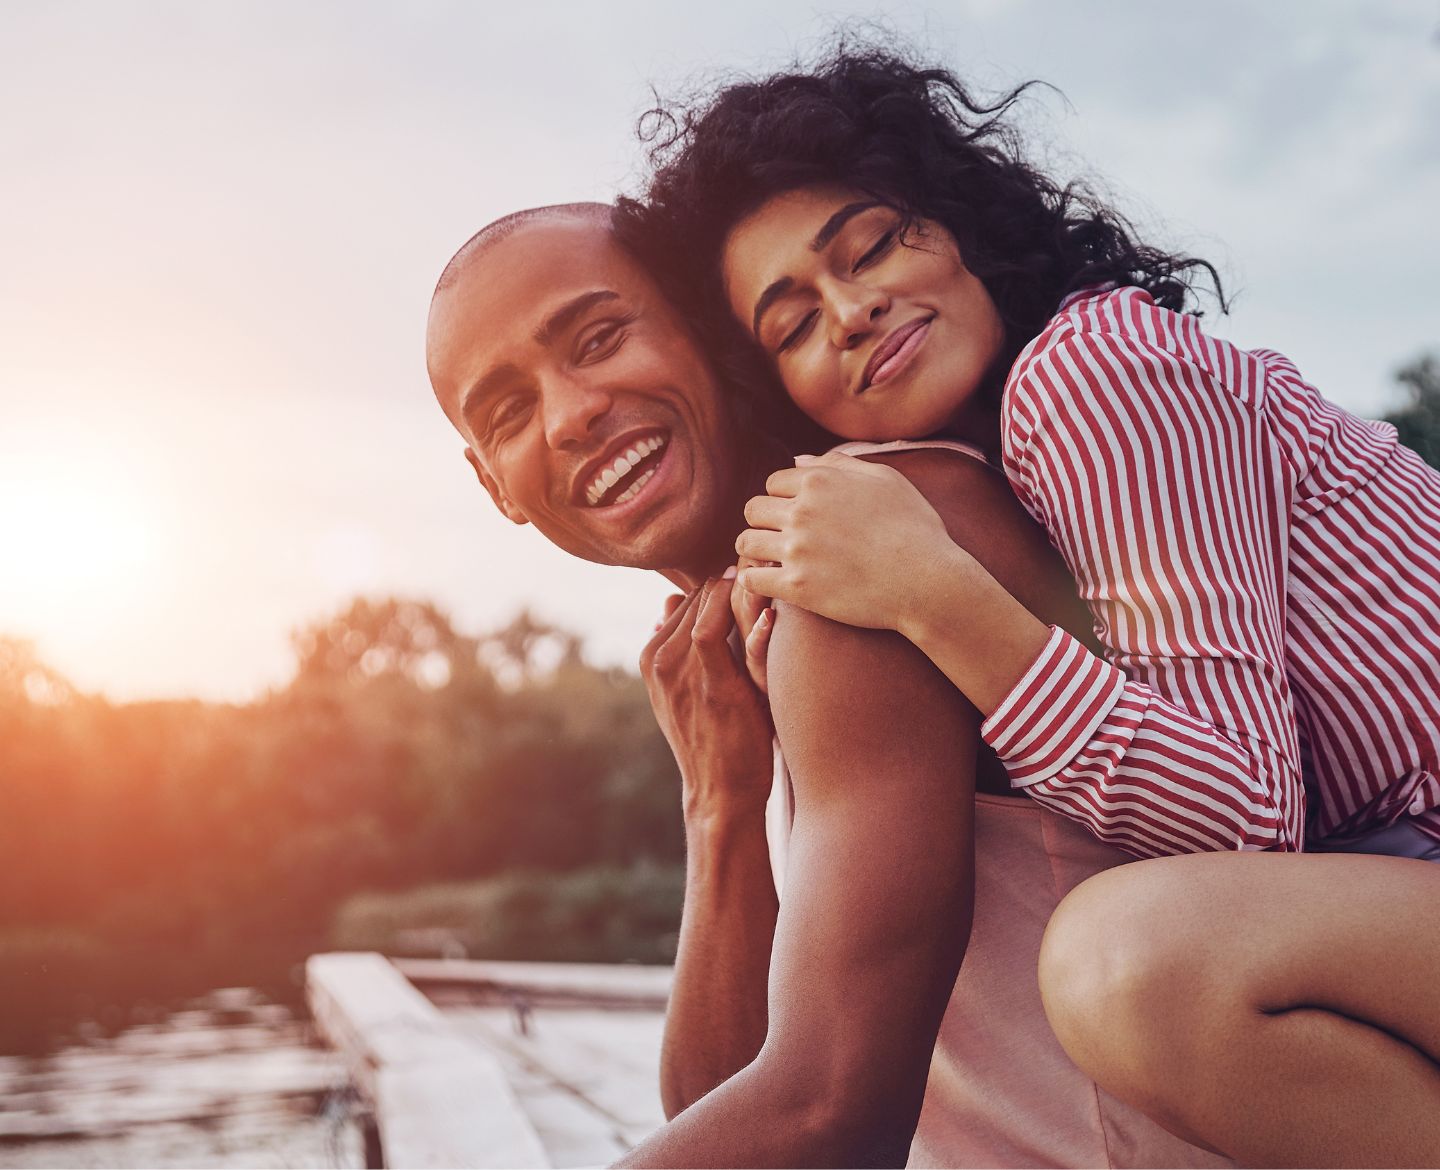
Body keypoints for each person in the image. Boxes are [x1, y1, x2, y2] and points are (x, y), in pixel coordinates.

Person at [622, 47, 1440, 1164]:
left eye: (869, 245)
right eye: (794, 324)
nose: (853, 309)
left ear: (955, 222)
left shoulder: (1091, 368)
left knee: (1133, 963)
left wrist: (937, 597)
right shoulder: (975, 482)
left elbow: (1252, 825)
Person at [425, 202, 1234, 1166]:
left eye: (599, 339)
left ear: (711, 326)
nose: (571, 414)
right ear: (497, 488)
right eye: (511, 412)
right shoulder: (756, 626)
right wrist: (720, 804)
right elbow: (712, 1107)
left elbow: (828, 1120)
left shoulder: (869, 543)